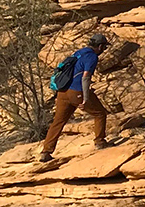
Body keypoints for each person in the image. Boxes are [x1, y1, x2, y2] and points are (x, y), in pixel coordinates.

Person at [40, 33, 111, 162]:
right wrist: (86, 98)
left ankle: (46, 152)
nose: (103, 50)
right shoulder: (92, 56)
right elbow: (85, 77)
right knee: (100, 113)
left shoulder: (79, 52)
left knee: (58, 121)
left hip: (62, 91)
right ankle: (100, 142)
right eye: (104, 47)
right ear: (100, 46)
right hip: (76, 91)